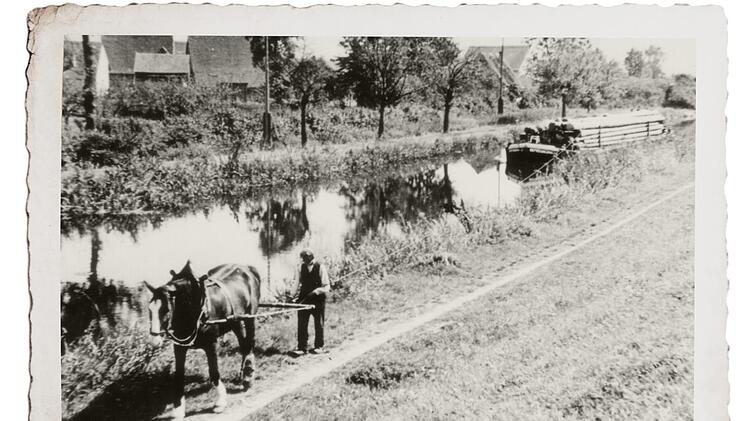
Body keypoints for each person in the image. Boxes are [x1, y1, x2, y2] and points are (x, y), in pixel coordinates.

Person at [291, 249, 330, 356]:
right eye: (304, 259)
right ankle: (302, 348)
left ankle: (319, 346)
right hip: (304, 298)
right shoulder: (300, 267)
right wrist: (292, 295)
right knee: (302, 324)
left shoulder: (320, 267)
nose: (306, 260)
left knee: (319, 323)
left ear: (312, 257)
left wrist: (316, 291)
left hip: (318, 299)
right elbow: (296, 282)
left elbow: (326, 286)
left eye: (308, 258)